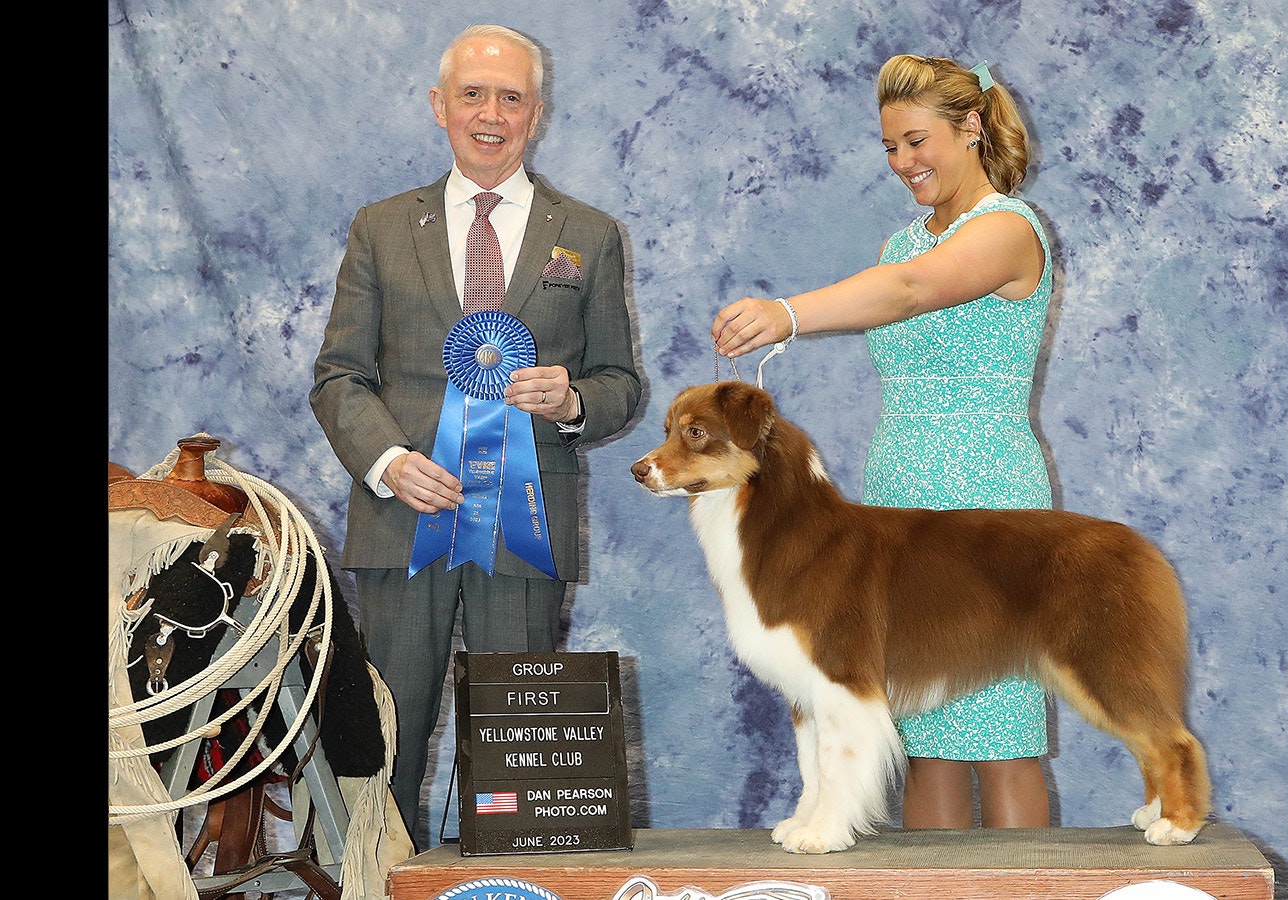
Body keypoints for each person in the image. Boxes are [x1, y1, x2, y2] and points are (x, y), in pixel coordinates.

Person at [310, 24, 641, 850]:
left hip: (524, 524)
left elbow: (621, 386)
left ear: (537, 111)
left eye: (511, 97)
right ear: (439, 106)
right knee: (385, 738)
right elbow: (338, 377)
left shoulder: (589, 234)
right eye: (473, 94)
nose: (491, 114)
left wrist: (571, 401)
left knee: (522, 752)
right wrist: (389, 462)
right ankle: (376, 878)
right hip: (400, 521)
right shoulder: (381, 227)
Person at [712, 54, 1054, 829]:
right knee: (921, 736)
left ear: (970, 128)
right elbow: (899, 279)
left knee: (1003, 735)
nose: (903, 163)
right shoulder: (901, 241)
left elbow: (911, 293)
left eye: (917, 141)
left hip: (987, 508)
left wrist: (787, 313)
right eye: (891, 148)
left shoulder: (1008, 229)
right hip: (897, 501)